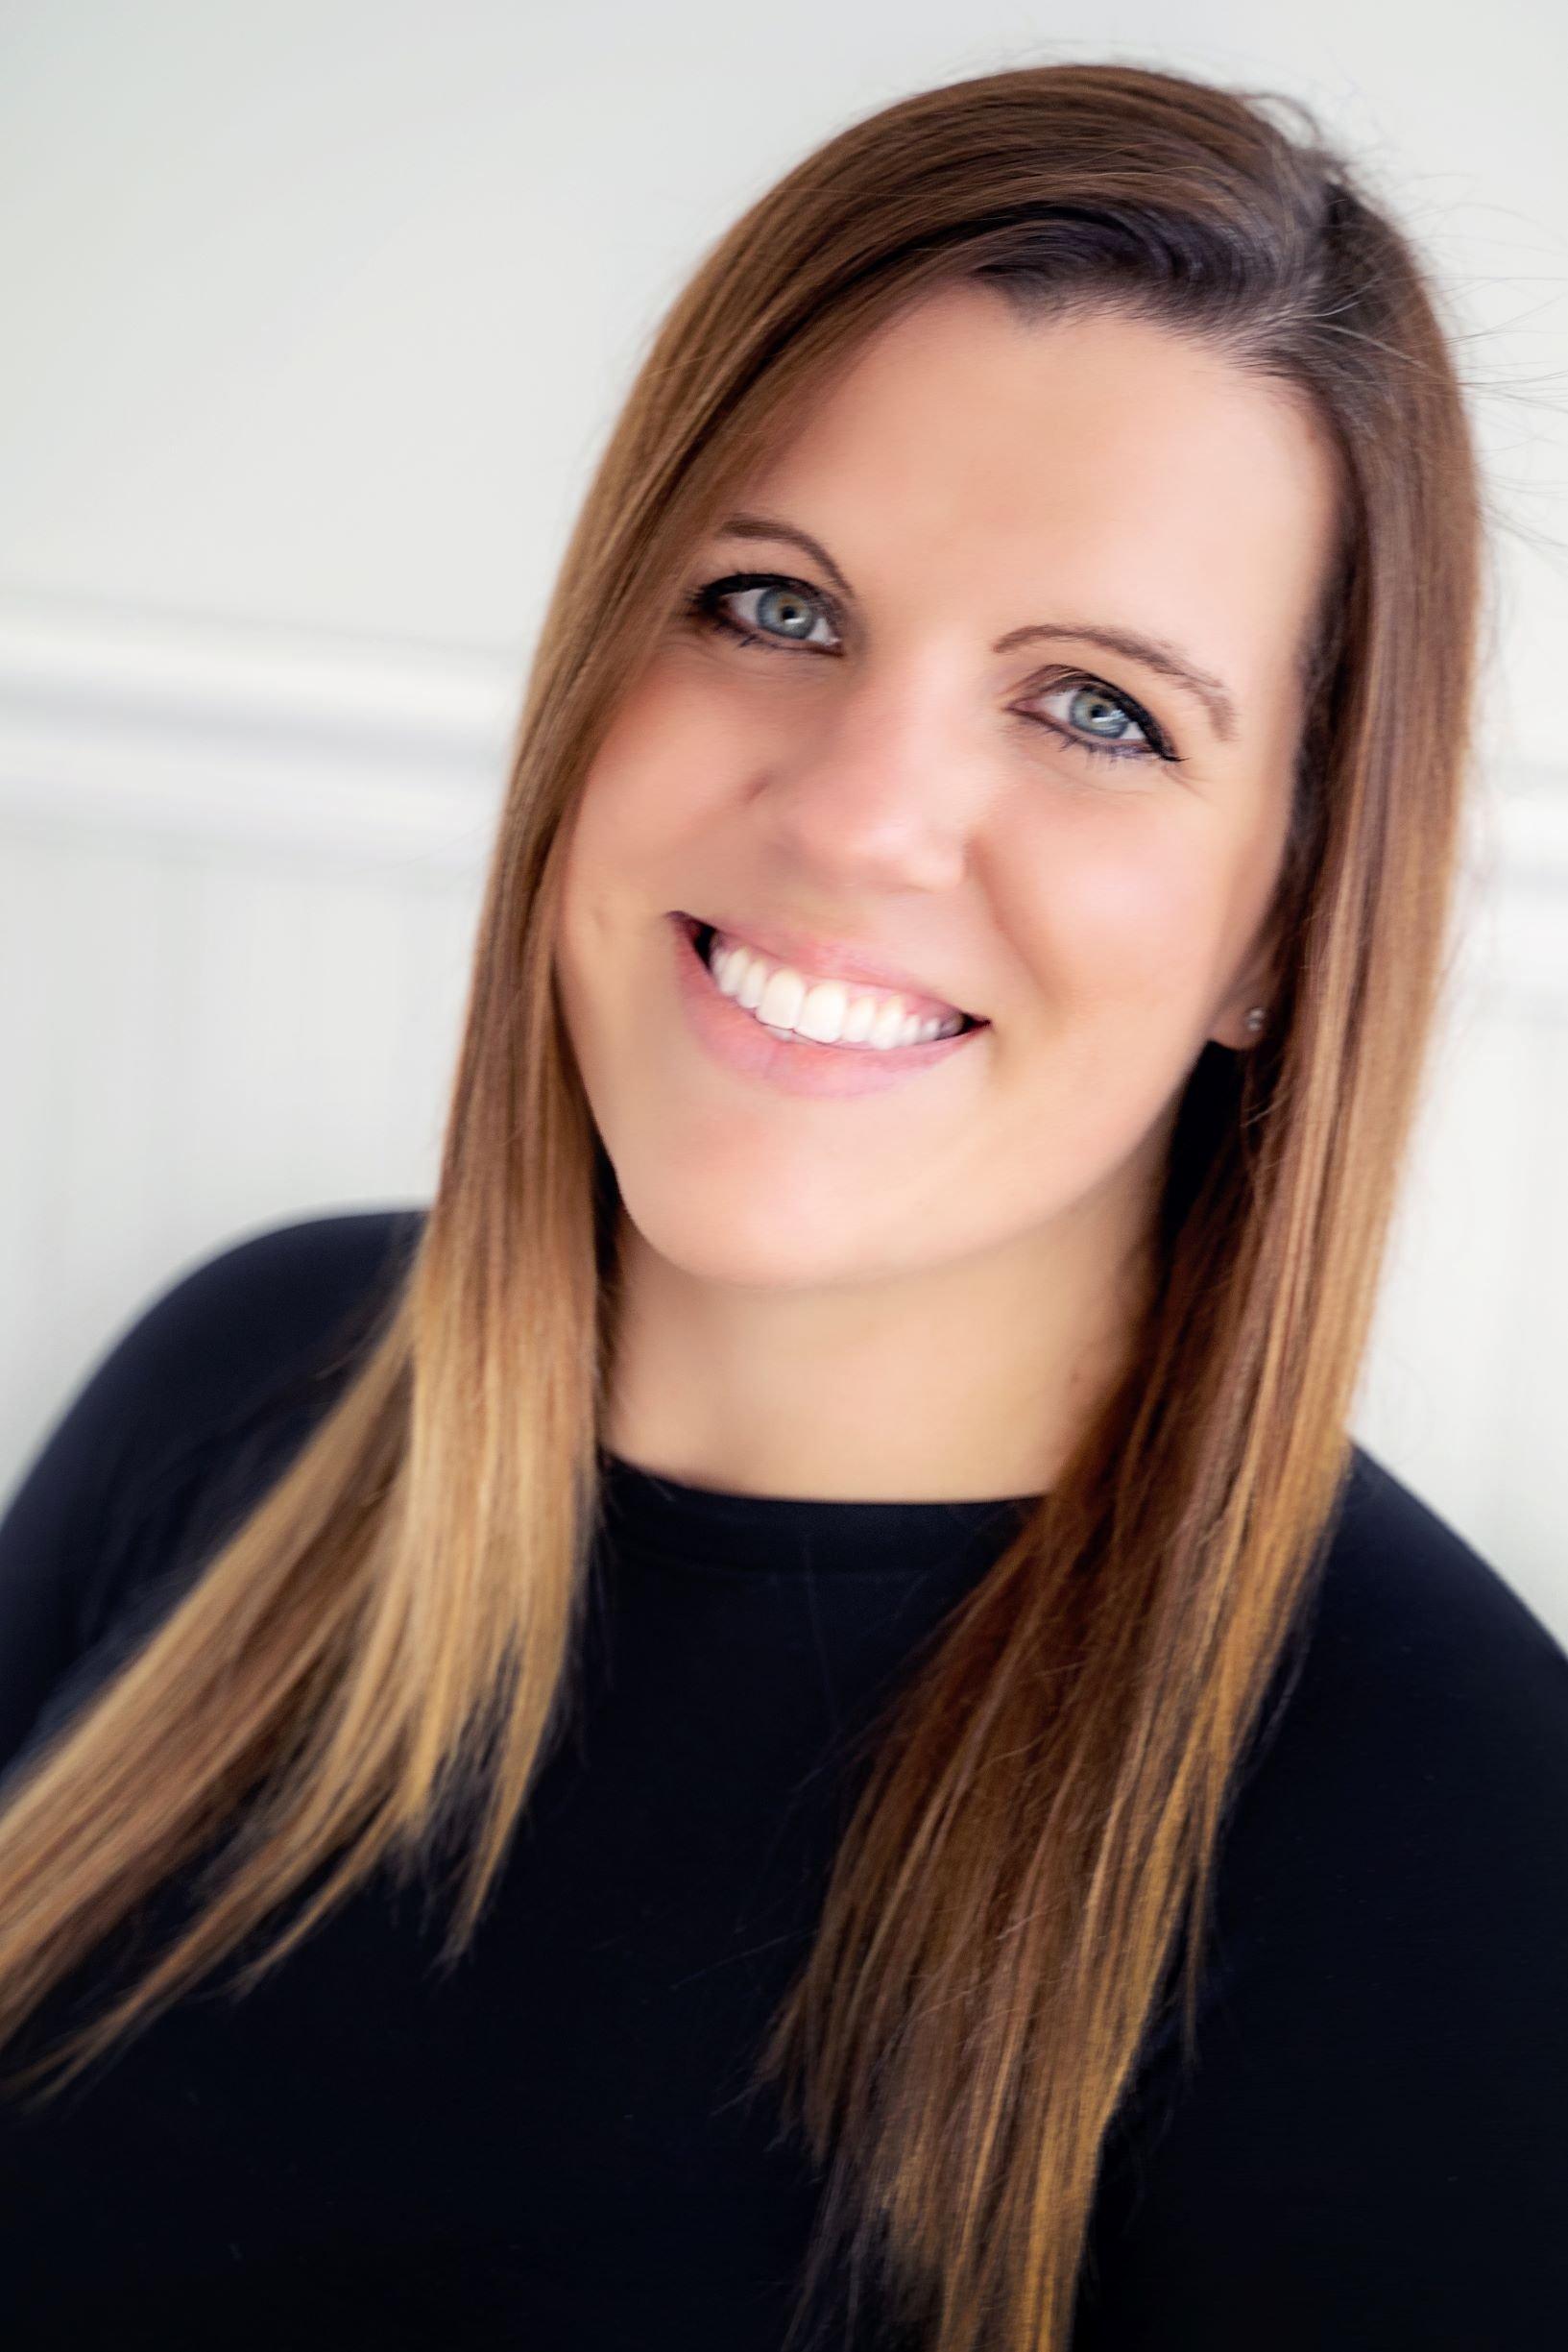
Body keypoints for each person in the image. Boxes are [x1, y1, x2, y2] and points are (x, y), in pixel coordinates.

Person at [0, 57, 1565, 2352]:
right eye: (770, 601)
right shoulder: (248, 1383)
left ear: (1278, 924)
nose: (857, 817)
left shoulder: (1463, 1861)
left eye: (1099, 710)